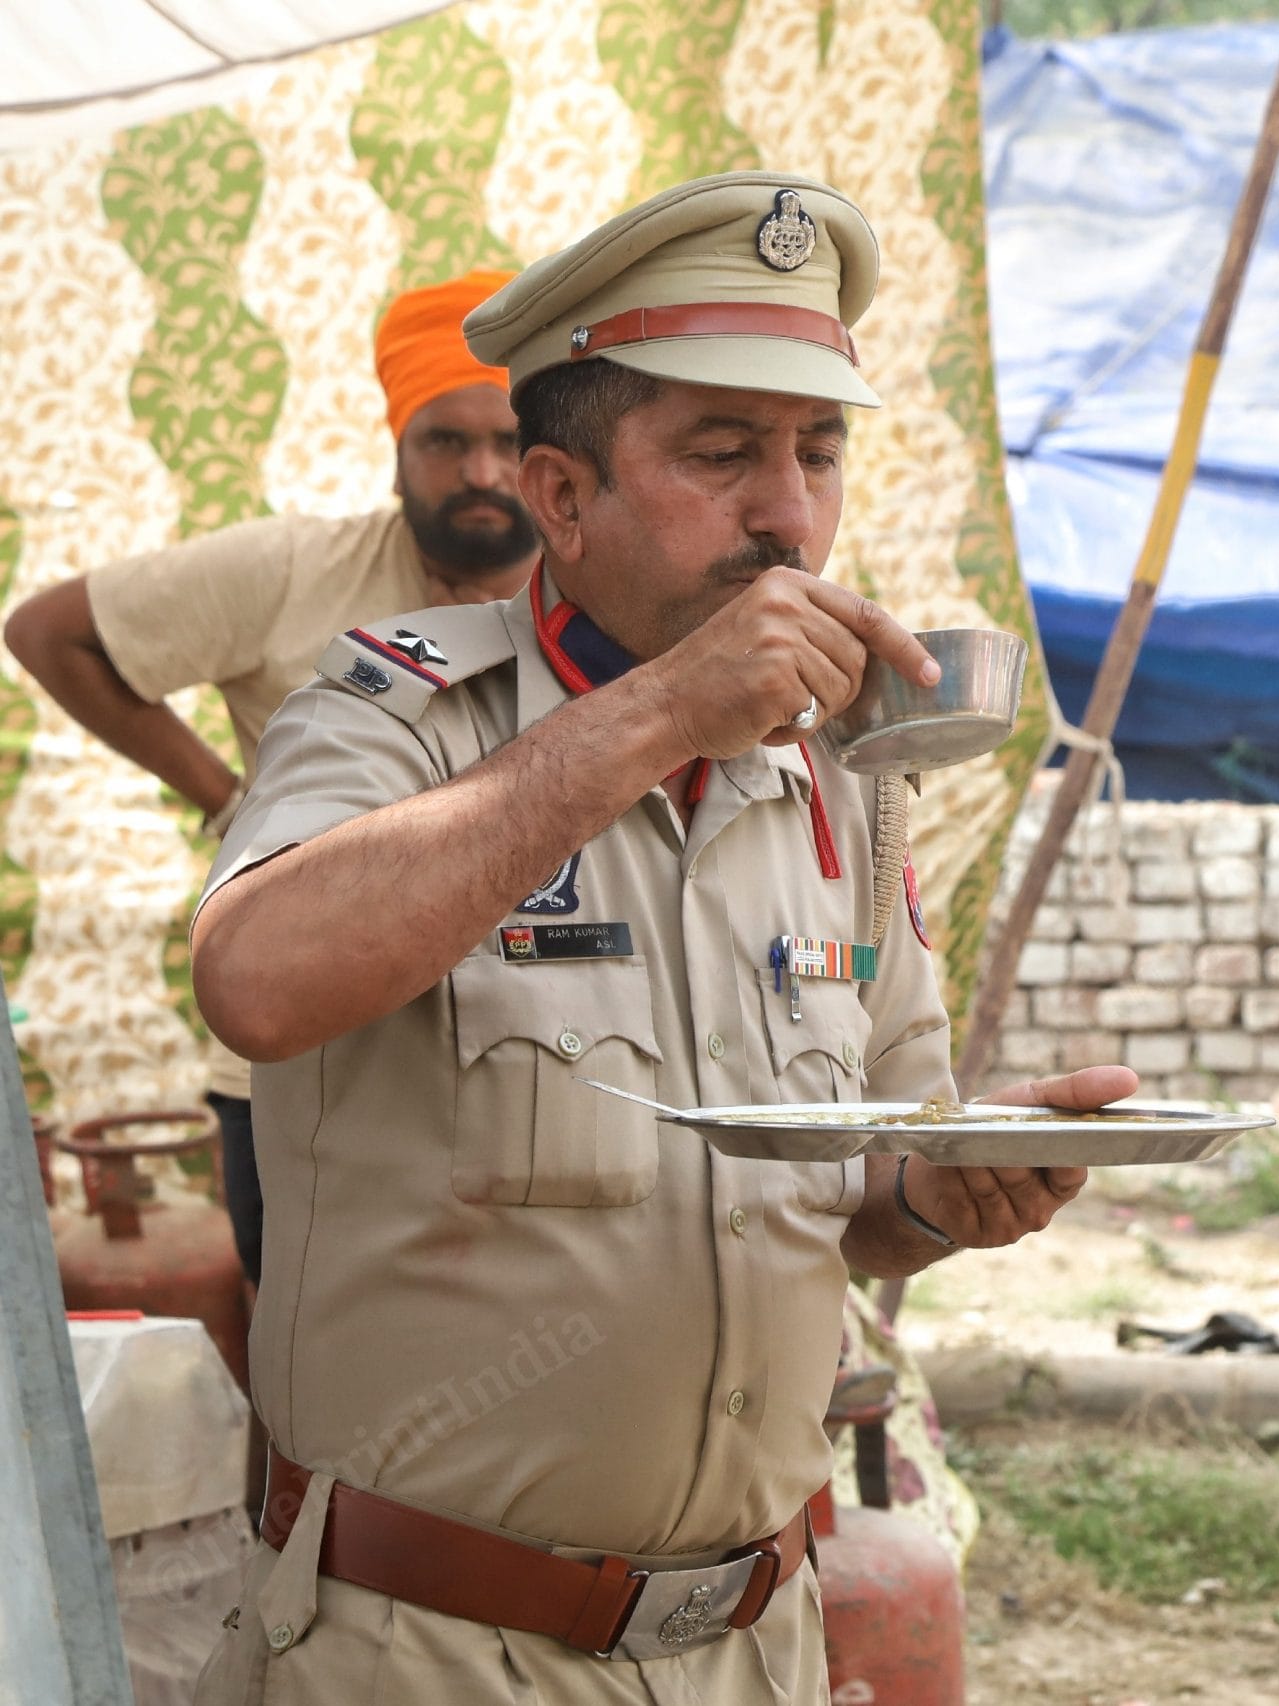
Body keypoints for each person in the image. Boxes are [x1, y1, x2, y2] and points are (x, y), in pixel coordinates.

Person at [183, 171, 1122, 1703]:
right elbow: (258, 981)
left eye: (818, 452)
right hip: (429, 1653)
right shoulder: (397, 712)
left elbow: (860, 1199)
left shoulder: (838, 785)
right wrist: (659, 711)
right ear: (560, 497)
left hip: (758, 1642)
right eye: (721, 453)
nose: (789, 511)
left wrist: (953, 1194)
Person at [4, 269, 537, 1287]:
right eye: (444, 440)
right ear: (396, 454)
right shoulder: (297, 572)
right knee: (313, 1394)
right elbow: (50, 632)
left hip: (522, 1069)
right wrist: (229, 800)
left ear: (555, 466)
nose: (480, 471)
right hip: (298, 1074)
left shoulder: (597, 600)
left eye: (508, 442)